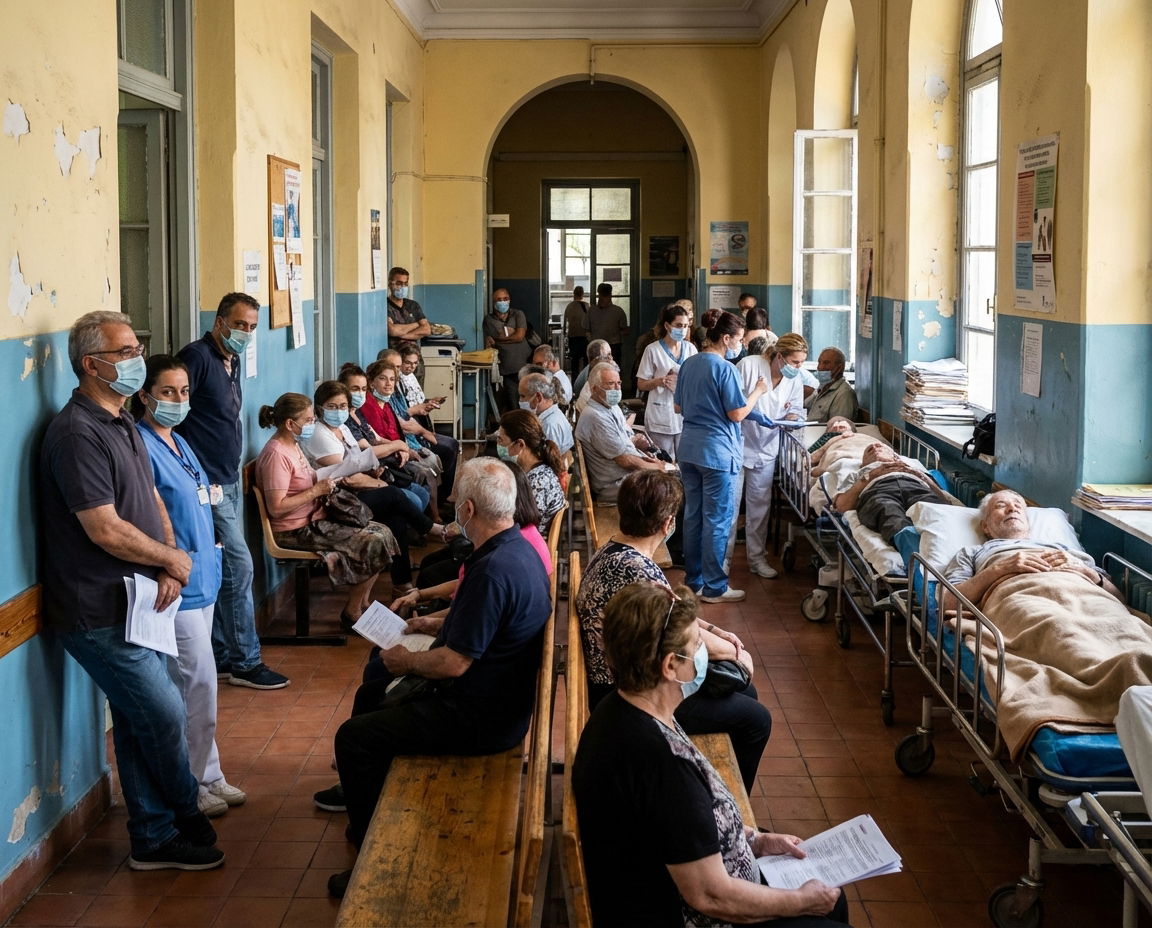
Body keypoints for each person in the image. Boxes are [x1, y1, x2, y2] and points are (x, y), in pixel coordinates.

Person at [318, 458, 552, 898]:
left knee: (354, 738)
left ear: (467, 510)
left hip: (481, 717)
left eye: (453, 503)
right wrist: (429, 625)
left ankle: (373, 857)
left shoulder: (493, 569)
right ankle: (364, 816)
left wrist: (404, 661)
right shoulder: (514, 550)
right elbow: (478, 627)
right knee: (372, 695)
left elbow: (453, 664)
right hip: (501, 695)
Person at [41, 311, 224, 870]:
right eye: (124, 352)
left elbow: (151, 501)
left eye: (134, 347)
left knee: (137, 716)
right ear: (90, 364)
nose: (136, 358)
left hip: (141, 599)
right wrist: (172, 557)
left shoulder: (122, 420)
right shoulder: (77, 433)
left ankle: (152, 837)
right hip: (95, 608)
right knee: (164, 713)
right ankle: (184, 809)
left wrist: (171, 565)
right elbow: (104, 526)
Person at [573, 582, 850, 928]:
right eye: (697, 645)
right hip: (684, 914)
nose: (704, 652)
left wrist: (756, 840)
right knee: (827, 909)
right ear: (670, 666)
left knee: (834, 901)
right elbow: (710, 895)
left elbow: (683, 828)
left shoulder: (626, 706)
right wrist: (800, 902)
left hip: (697, 880)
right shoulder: (659, 762)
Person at [576, 471, 771, 791]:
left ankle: (715, 787)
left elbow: (674, 613)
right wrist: (736, 652)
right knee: (756, 720)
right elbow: (682, 637)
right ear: (668, 524)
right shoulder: (635, 568)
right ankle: (731, 800)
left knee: (744, 695)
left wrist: (717, 633)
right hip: (627, 691)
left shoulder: (618, 551)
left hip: (629, 677)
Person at [133, 356, 246, 820]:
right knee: (193, 684)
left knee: (202, 684)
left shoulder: (179, 441)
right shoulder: (140, 446)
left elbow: (201, 499)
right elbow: (148, 515)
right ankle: (190, 781)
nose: (179, 400)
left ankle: (210, 772)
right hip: (175, 585)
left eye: (183, 392)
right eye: (167, 392)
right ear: (144, 396)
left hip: (204, 575)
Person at [177, 292, 288, 690]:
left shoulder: (232, 359)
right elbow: (172, 416)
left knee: (225, 567)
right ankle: (245, 661)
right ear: (220, 321)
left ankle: (223, 654)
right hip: (203, 483)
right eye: (240, 324)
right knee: (239, 567)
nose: (246, 333)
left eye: (253, 327)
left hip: (226, 479)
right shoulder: (196, 358)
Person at [255, 393, 398, 626]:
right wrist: (316, 491)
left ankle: (362, 603)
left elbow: (307, 479)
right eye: (309, 420)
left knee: (383, 532)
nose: (313, 424)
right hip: (296, 529)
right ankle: (351, 612)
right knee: (371, 541)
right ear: (290, 424)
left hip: (315, 518)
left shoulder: (294, 445)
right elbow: (277, 508)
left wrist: (334, 477)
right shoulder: (276, 455)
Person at [306, 380, 448, 600]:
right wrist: (379, 483)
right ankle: (431, 529)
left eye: (342, 406)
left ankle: (402, 584)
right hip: (334, 501)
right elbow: (346, 476)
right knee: (392, 495)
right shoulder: (318, 434)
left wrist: (375, 473)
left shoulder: (342, 427)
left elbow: (358, 460)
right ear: (319, 408)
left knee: (395, 516)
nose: (338, 411)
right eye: (332, 407)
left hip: (354, 493)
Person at [674, 309, 776, 603]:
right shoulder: (725, 369)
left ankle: (694, 581)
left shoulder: (689, 363)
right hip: (718, 452)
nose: (741, 346)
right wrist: (757, 392)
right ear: (727, 337)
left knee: (693, 515)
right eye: (739, 340)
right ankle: (715, 587)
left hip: (690, 448)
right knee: (717, 519)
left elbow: (679, 407)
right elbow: (736, 413)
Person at [942, 489, 1121, 609]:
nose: (1012, 508)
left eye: (1018, 506)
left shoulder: (1064, 549)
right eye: (1001, 505)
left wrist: (1087, 572)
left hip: (1086, 601)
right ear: (985, 526)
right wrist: (1000, 569)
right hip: (1025, 603)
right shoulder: (972, 553)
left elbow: (1119, 599)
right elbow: (948, 602)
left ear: (1027, 522)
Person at [727, 333, 809, 579]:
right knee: (730, 509)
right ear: (780, 356)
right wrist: (754, 413)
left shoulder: (794, 380)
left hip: (768, 446)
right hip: (739, 444)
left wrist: (793, 417)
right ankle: (723, 562)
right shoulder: (750, 366)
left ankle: (757, 559)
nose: (798, 368)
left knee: (759, 509)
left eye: (802, 363)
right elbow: (733, 402)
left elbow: (795, 408)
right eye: (795, 362)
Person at [574, 363, 668, 503]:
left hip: (629, 474)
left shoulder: (610, 407)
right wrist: (656, 467)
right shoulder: (595, 416)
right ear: (594, 389)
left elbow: (624, 445)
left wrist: (643, 453)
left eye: (619, 383)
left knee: (676, 475)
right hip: (617, 484)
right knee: (674, 486)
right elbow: (625, 460)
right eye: (611, 384)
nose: (617, 388)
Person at [833, 442, 947, 554]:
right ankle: (912, 553)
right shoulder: (857, 474)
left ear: (895, 456)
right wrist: (868, 478)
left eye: (879, 446)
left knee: (934, 511)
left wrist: (921, 476)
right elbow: (842, 506)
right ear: (863, 463)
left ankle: (939, 546)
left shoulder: (916, 470)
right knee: (888, 511)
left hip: (917, 487)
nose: (874, 447)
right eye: (869, 450)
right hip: (878, 491)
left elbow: (944, 500)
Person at [377, 349, 459, 501]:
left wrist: (425, 405)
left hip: (415, 429)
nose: (398, 370)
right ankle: (439, 500)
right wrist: (421, 430)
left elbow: (405, 412)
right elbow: (397, 423)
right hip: (408, 437)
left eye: (398, 366)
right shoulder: (382, 393)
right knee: (446, 448)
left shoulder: (401, 382)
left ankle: (442, 497)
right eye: (394, 366)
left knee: (451, 444)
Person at [359, 360, 442, 509]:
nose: (388, 384)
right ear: (371, 383)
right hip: (386, 459)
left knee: (431, 460)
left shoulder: (387, 404)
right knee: (423, 471)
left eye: (392, 379)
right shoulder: (368, 406)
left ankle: (433, 513)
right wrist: (402, 448)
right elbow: (375, 440)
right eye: (382, 378)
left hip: (399, 451)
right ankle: (432, 517)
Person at [636, 303, 698, 460]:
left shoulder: (691, 349)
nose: (682, 330)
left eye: (685, 325)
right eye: (678, 325)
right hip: (660, 414)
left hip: (685, 414)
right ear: (667, 325)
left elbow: (698, 381)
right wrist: (660, 381)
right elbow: (641, 383)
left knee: (687, 462)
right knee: (663, 462)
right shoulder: (653, 350)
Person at [497, 410, 566, 533]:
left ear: (519, 444)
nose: (498, 445)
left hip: (530, 545)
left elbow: (523, 526)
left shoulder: (537, 483)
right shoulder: (536, 471)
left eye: (501, 440)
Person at [483, 287, 533, 411]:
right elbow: (493, 339)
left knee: (528, 401)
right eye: (499, 300)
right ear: (494, 303)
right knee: (513, 402)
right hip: (507, 369)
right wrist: (511, 334)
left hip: (524, 365)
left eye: (505, 299)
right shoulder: (489, 320)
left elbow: (519, 336)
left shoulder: (518, 314)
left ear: (509, 300)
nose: (503, 302)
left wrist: (499, 339)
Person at [519, 371, 573, 455]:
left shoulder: (549, 426)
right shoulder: (550, 416)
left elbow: (550, 463)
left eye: (523, 396)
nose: (520, 401)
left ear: (538, 397)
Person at [397, 343, 446, 428]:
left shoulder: (411, 376)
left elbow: (416, 400)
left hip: (420, 419)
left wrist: (430, 402)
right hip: (407, 422)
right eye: (408, 363)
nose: (412, 366)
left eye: (415, 363)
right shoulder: (396, 379)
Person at [806, 347, 859, 422]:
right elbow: (805, 405)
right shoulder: (823, 388)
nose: (820, 367)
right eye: (819, 362)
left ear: (839, 368)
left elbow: (838, 428)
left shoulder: (844, 394)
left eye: (826, 363)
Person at [385, 266, 431, 351]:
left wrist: (402, 335)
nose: (403, 287)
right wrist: (417, 324)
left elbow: (426, 329)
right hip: (396, 355)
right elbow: (393, 330)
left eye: (405, 284)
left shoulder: (413, 305)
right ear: (390, 284)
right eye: (399, 283)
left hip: (415, 356)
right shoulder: (385, 306)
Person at [588, 283, 629, 364]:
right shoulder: (618, 311)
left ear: (598, 294)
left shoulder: (591, 311)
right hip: (612, 346)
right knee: (614, 371)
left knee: (597, 371)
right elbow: (625, 331)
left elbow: (586, 330)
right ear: (611, 294)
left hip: (599, 346)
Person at [563, 285, 590, 380]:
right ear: (582, 294)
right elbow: (590, 322)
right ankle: (585, 380)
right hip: (584, 337)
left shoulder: (569, 306)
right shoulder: (586, 306)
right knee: (586, 361)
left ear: (573, 294)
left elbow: (565, 323)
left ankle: (574, 382)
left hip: (573, 337)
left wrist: (565, 335)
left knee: (574, 362)